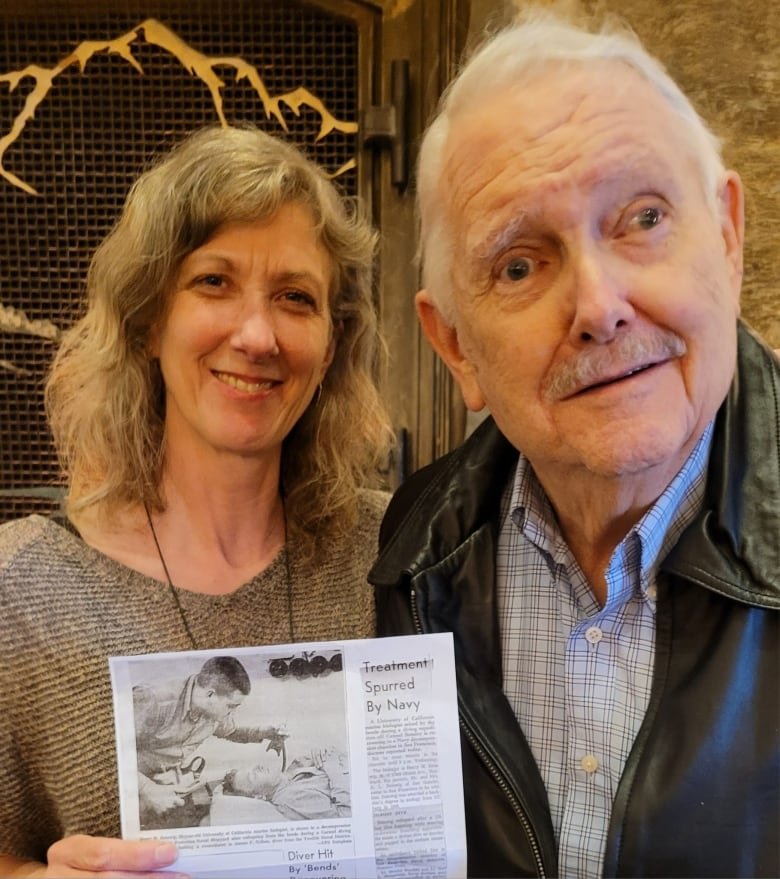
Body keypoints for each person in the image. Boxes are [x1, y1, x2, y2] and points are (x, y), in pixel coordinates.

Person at [370, 11, 779, 879]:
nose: (598, 306)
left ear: (729, 235)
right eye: (519, 266)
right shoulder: (414, 552)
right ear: (454, 347)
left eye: (641, 218)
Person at [0, 124, 392, 876]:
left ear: (331, 344)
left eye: (295, 298)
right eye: (213, 281)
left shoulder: (392, 553)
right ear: (150, 321)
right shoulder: (26, 587)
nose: (257, 334)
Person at [133, 656, 284, 829]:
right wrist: (147, 788)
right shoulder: (153, 699)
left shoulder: (213, 712)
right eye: (231, 706)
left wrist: (266, 733)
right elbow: (112, 754)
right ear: (210, 694)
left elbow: (232, 731)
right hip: (133, 781)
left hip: (165, 781)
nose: (231, 713)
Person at [210, 747, 351, 824]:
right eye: (253, 775)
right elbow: (346, 816)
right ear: (260, 796)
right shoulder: (291, 798)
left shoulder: (291, 776)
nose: (257, 766)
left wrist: (323, 755)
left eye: (252, 767)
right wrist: (333, 767)